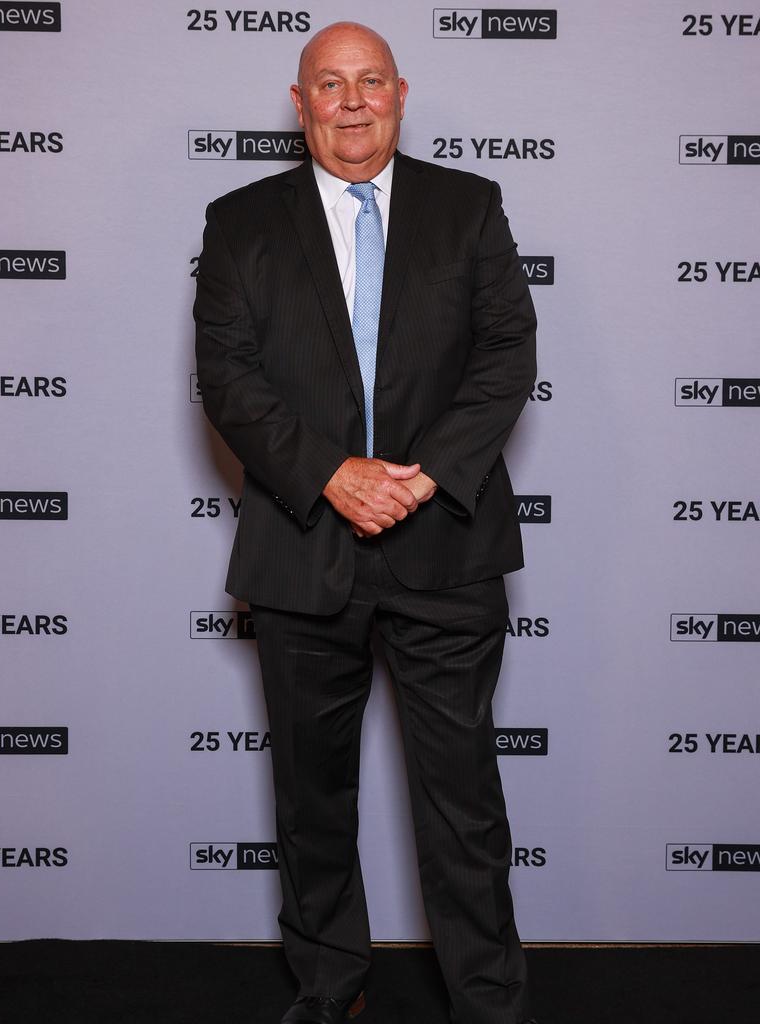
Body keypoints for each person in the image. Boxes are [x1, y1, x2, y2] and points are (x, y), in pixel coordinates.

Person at [194, 21, 538, 1024]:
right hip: (304, 548)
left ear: (401, 93)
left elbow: (506, 354)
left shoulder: (469, 208)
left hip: (448, 548)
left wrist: (421, 478)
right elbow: (226, 376)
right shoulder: (240, 220)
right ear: (299, 103)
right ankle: (329, 985)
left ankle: (488, 1002)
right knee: (310, 800)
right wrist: (331, 474)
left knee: (462, 802)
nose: (352, 102)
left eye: (370, 81)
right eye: (329, 85)